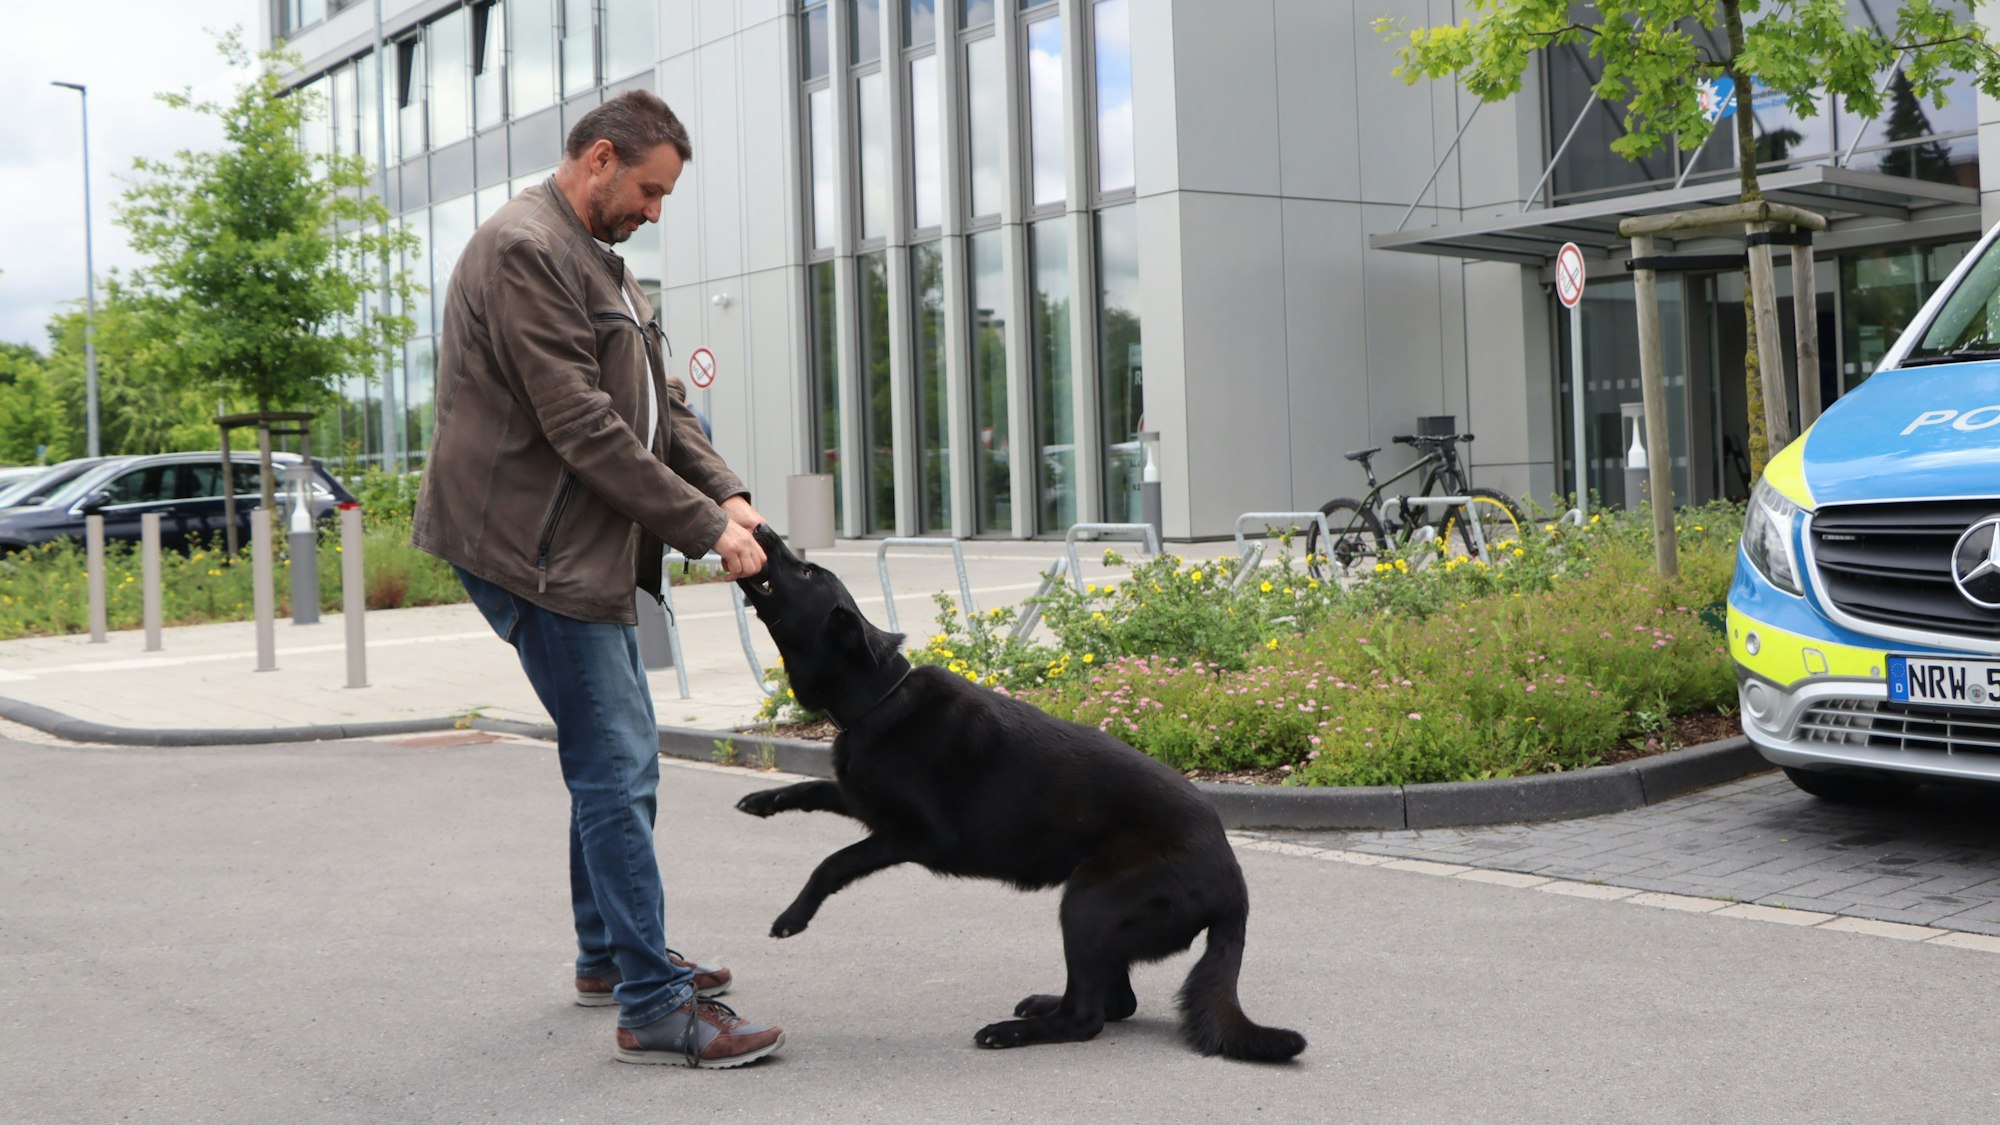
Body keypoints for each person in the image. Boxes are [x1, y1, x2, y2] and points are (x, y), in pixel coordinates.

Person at [412, 89, 783, 1069]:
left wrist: (727, 493)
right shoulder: (524, 250)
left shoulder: (601, 261)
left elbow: (662, 404)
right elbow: (581, 423)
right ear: (601, 157)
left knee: (613, 755)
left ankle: (608, 955)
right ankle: (651, 1004)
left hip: (584, 544)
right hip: (533, 549)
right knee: (616, 763)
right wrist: (702, 529)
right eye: (650, 192)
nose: (654, 212)